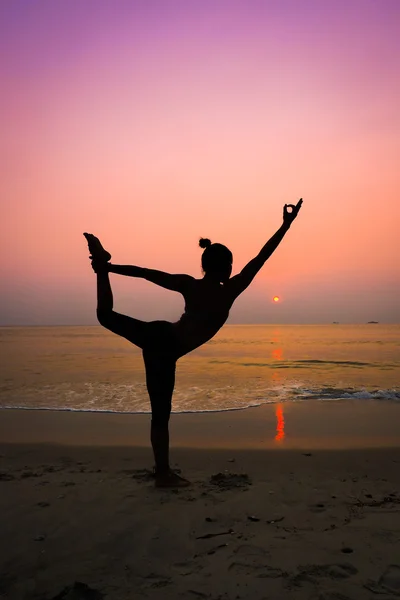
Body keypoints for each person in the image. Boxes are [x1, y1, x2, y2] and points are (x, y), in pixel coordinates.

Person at [84, 198, 303, 487]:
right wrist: (286, 225)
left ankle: (101, 265)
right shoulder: (231, 290)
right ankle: (162, 474)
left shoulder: (192, 284)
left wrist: (111, 268)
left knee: (105, 316)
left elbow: (148, 273)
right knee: (160, 415)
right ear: (227, 267)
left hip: (159, 338)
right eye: (231, 264)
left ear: (204, 266)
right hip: (164, 347)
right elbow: (262, 257)